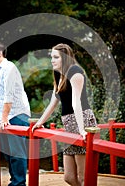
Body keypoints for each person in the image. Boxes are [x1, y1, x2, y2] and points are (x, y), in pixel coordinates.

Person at [32, 43, 97, 186]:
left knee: (83, 176)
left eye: (56, 57)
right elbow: (53, 103)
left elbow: (76, 103)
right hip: (69, 125)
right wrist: (39, 122)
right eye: (51, 57)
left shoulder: (75, 71)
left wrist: (81, 130)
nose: (52, 60)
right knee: (68, 177)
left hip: (82, 121)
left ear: (65, 58)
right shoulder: (58, 74)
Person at [0, 42, 30, 186]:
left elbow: (9, 96)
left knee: (16, 152)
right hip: (7, 117)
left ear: (0, 52)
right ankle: (14, 181)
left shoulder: (10, 68)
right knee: (8, 153)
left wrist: (3, 119)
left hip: (17, 115)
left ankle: (19, 183)